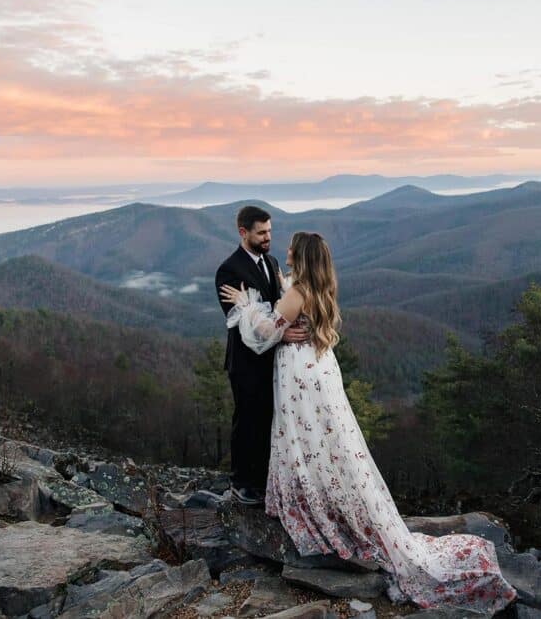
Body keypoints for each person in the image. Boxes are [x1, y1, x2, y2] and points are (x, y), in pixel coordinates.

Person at [219, 231, 517, 615]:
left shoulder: (297, 293)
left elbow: (263, 333)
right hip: (320, 367)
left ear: (303, 257)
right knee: (329, 440)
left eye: (292, 249)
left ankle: (317, 503)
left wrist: (245, 307)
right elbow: (288, 303)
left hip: (299, 375)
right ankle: (337, 497)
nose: (285, 251)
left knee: (304, 439)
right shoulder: (315, 286)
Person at [215, 206, 308, 506]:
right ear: (243, 233)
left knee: (270, 419)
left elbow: (280, 307)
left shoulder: (271, 261)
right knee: (248, 419)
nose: (268, 237)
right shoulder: (228, 270)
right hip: (246, 362)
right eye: (261, 233)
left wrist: (286, 330)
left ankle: (266, 480)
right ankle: (242, 483)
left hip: (275, 359)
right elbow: (243, 326)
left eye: (270, 231)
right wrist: (282, 332)